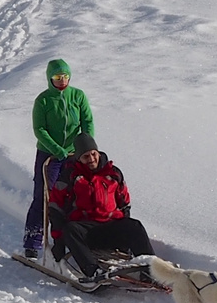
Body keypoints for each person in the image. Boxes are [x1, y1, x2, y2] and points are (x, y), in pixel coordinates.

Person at [45, 133, 155, 281]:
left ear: (98, 152)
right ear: (79, 158)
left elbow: (124, 204)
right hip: (86, 232)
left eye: (93, 154)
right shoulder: (70, 176)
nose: (91, 159)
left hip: (110, 227)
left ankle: (152, 270)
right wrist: (58, 242)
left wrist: (125, 234)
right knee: (70, 229)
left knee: (135, 226)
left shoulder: (113, 173)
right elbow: (55, 208)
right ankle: (92, 271)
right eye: (85, 156)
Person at [24, 59, 94, 258]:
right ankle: (33, 240)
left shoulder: (78, 96)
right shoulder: (43, 100)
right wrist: (56, 149)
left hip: (74, 154)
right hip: (49, 154)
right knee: (44, 196)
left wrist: (85, 146)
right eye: (57, 77)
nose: (62, 81)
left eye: (65, 77)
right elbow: (39, 129)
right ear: (49, 78)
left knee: (74, 196)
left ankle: (70, 239)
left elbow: (87, 121)